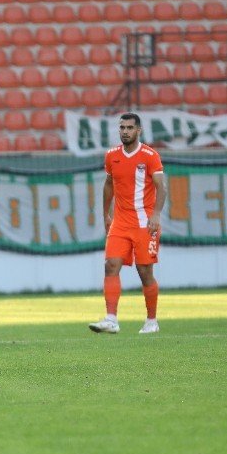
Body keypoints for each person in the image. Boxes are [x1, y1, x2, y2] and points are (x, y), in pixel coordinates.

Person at [89, 113, 165, 335]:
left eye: (130, 128)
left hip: (145, 223)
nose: (125, 131)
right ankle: (111, 319)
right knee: (111, 265)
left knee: (144, 272)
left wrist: (156, 215)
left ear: (138, 130)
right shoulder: (111, 156)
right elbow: (108, 185)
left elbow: (162, 187)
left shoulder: (150, 156)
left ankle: (151, 321)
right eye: (122, 127)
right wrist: (106, 215)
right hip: (121, 223)